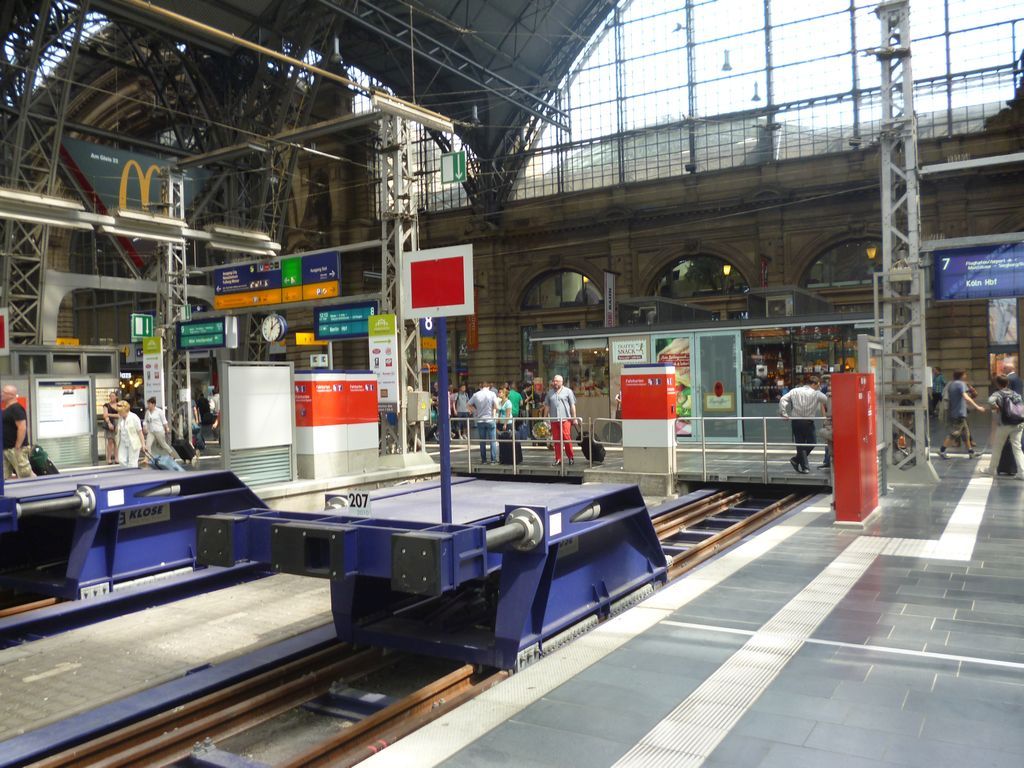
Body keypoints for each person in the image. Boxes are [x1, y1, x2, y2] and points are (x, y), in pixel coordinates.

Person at [779, 375, 827, 474]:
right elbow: (828, 400)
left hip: (796, 421)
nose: (819, 387)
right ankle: (803, 466)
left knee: (800, 444)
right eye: (818, 385)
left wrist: (784, 413)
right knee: (812, 442)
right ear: (814, 384)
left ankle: (797, 461)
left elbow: (783, 399)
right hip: (808, 422)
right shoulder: (817, 394)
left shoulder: (795, 391)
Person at [939, 369, 986, 459]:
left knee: (965, 434)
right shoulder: (961, 384)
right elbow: (966, 397)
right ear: (961, 375)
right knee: (954, 434)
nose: (966, 376)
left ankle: (971, 452)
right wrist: (977, 407)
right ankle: (942, 450)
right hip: (959, 413)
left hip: (954, 412)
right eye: (965, 375)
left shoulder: (951, 384)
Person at [986, 373, 1024, 480]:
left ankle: (992, 469)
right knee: (1017, 447)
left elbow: (990, 401)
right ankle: (1022, 472)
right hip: (1018, 423)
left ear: (997, 384)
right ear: (1007, 383)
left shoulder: (998, 393)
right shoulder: (1016, 394)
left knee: (997, 446)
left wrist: (996, 406)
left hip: (1005, 424)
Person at [543, 374, 578, 466]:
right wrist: (544, 417)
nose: (555, 383)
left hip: (565, 419)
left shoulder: (568, 391)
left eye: (557, 381)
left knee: (566, 438)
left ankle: (570, 457)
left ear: (561, 382)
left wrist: (574, 418)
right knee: (556, 440)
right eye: (554, 381)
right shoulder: (550, 393)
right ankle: (558, 459)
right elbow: (547, 405)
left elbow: (572, 405)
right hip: (554, 420)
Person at [2, 385, 32, 479]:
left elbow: (22, 427)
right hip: (7, 449)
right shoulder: (7, 409)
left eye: (4, 392)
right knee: (4, 477)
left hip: (16, 449)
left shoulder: (16, 408)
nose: (1, 394)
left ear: (11, 395)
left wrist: (18, 446)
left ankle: (35, 491)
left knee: (25, 475)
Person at [467, 382, 500, 464]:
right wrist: (493, 410)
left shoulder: (475, 394)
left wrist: (476, 411)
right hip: (490, 419)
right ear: (488, 386)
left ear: (480, 386)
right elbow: (497, 406)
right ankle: (493, 460)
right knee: (493, 441)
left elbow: (468, 405)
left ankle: (484, 460)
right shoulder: (492, 394)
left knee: (482, 441)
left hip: (480, 420)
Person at [115, 400, 144, 468]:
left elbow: (140, 432)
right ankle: (125, 473)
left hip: (133, 442)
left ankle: (133, 476)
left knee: (132, 462)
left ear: (125, 411)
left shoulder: (134, 417)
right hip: (123, 441)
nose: (119, 413)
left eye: (120, 412)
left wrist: (143, 444)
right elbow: (118, 430)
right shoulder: (121, 419)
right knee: (121, 460)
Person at [102, 390, 120, 465]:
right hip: (109, 423)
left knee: (117, 442)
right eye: (110, 396)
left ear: (116, 397)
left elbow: (119, 415)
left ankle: (116, 458)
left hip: (117, 423)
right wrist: (109, 423)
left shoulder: (119, 405)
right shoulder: (106, 405)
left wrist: (109, 414)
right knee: (110, 441)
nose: (111, 397)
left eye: (113, 396)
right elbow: (105, 415)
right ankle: (109, 458)